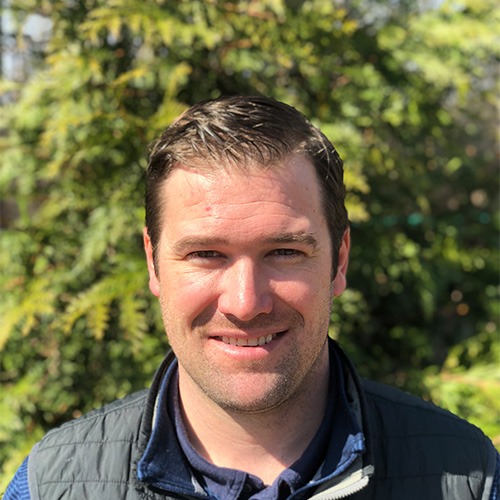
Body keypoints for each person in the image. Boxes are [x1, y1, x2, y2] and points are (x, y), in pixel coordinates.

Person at [4, 95, 499, 499]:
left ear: (339, 260)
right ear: (154, 263)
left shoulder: (466, 477)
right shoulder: (53, 484)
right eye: (205, 254)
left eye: (284, 251)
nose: (246, 303)